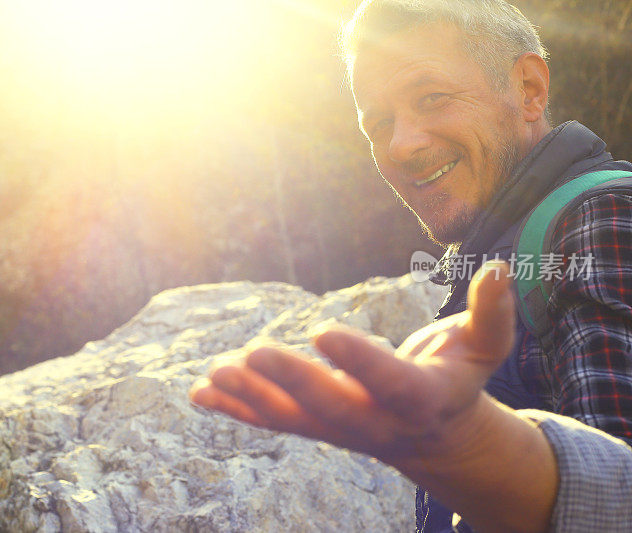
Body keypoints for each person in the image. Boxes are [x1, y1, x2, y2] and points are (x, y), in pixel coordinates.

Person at [191, 1, 632, 531]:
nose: (400, 143)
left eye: (432, 98)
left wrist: (469, 445)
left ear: (529, 90)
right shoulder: (496, 251)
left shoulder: (600, 219)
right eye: (377, 123)